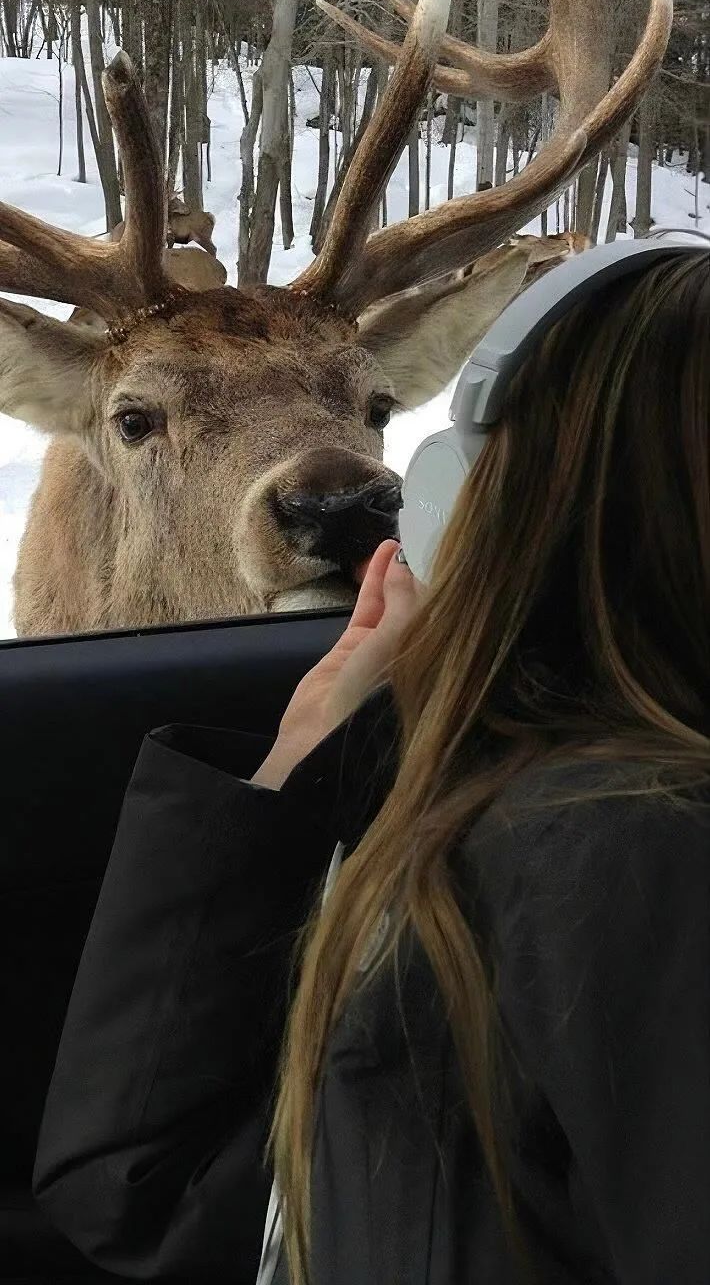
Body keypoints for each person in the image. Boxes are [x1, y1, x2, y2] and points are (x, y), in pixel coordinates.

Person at [33, 249, 709, 1284]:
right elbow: (177, 1202)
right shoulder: (565, 819)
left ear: (471, 491)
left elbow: (159, 1207)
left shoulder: (621, 857)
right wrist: (300, 758)